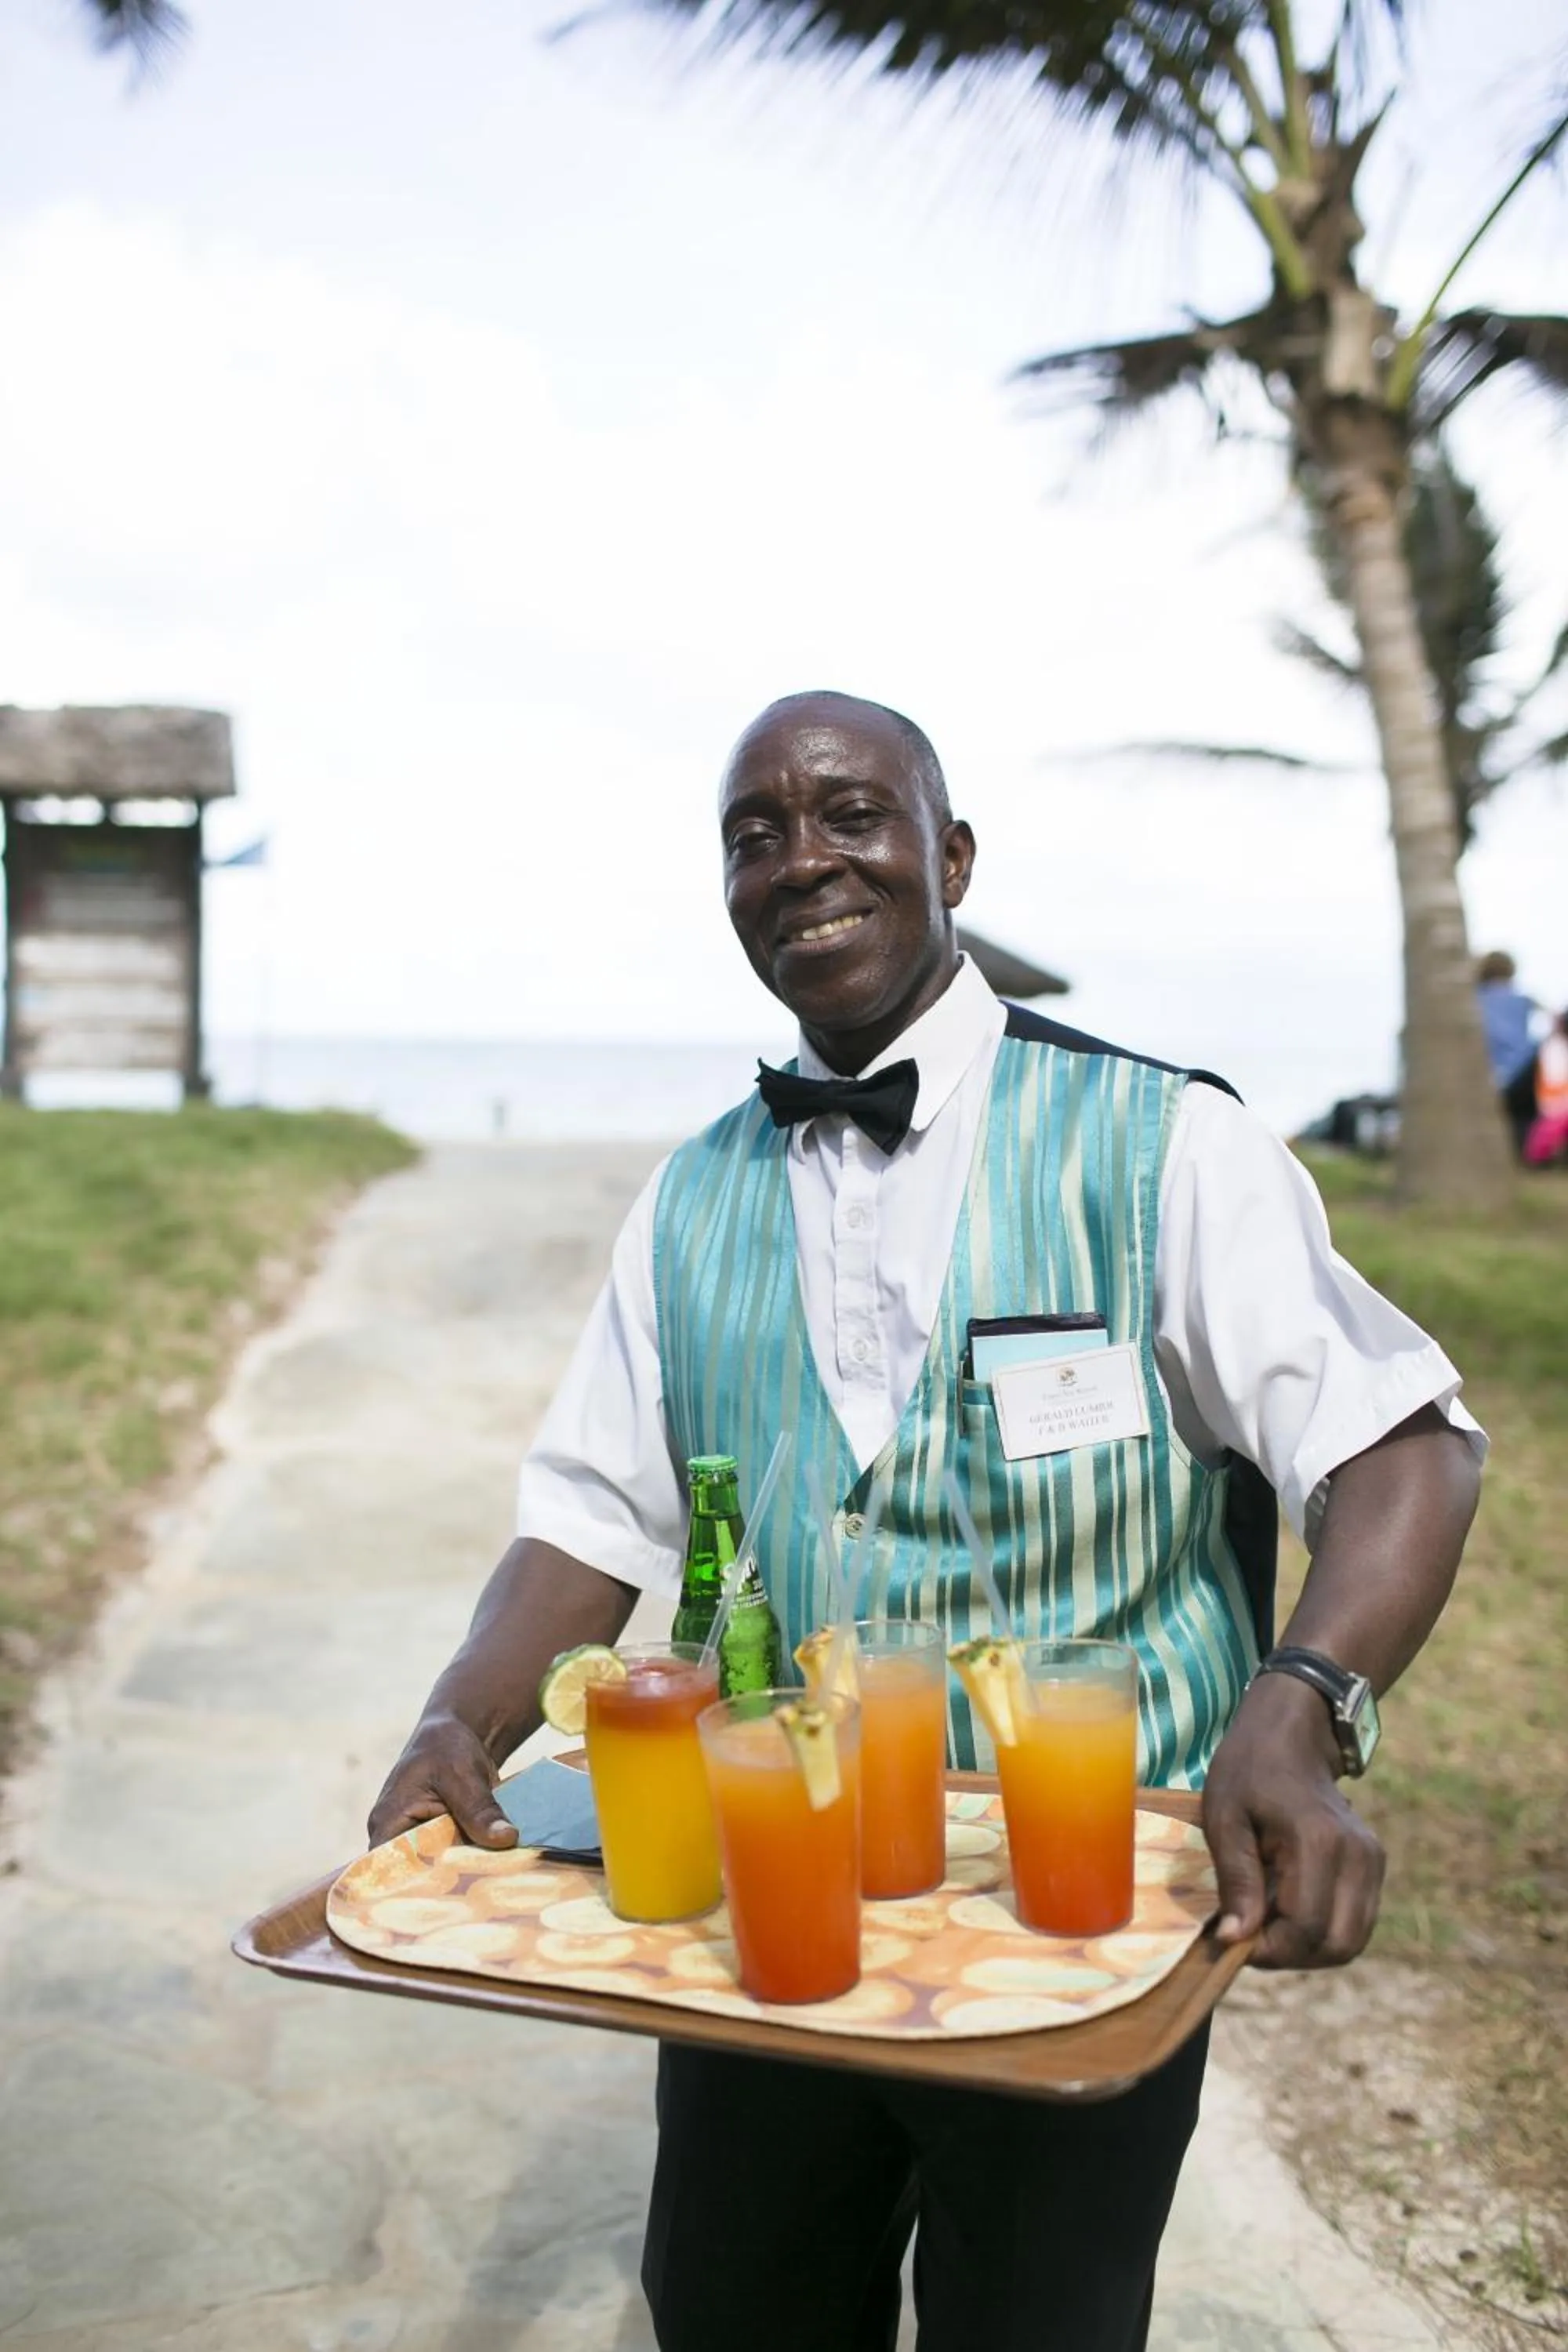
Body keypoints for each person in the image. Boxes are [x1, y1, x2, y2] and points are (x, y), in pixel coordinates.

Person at [371, 690, 1485, 2352]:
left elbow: (1401, 1445)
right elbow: (589, 1517)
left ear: (948, 856)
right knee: (736, 2305)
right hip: (770, 1887)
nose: (800, 859)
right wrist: (458, 1717)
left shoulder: (1164, 1141)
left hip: (1080, 1914)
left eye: (847, 815)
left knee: (1037, 2321)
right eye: (754, 836)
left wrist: (1301, 1704)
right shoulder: (690, 1194)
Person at [1475, 949, 1543, 1156]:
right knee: (1522, 1116)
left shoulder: (1475, 998)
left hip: (1486, 1071)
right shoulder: (1522, 999)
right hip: (1523, 1071)